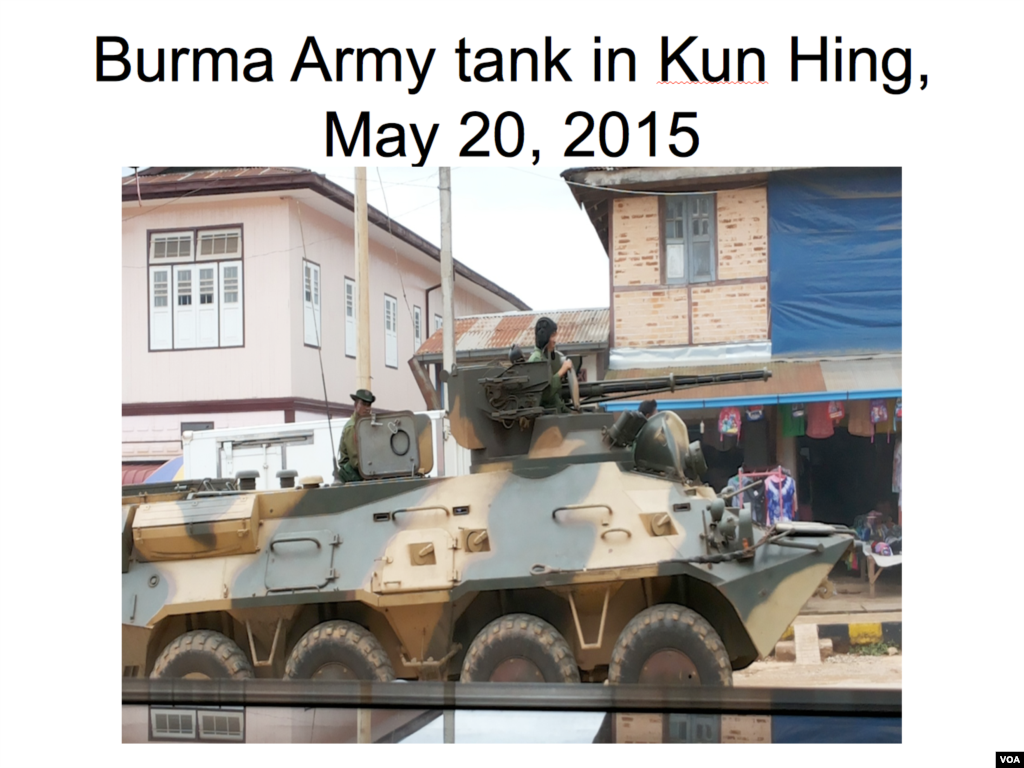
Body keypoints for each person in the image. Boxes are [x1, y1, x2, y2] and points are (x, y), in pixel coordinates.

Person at [527, 316, 572, 413]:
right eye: (552, 336)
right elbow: (545, 394)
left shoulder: (543, 358)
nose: (555, 340)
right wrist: (562, 371)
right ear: (544, 337)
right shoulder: (537, 359)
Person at [334, 389, 375, 483]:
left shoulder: (366, 425)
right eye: (363, 404)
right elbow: (355, 461)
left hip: (363, 474)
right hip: (352, 476)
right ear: (356, 405)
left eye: (369, 404)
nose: (367, 408)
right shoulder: (352, 427)